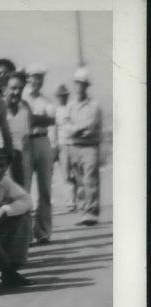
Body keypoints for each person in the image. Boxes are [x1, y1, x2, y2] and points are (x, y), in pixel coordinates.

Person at [0, 145, 34, 287]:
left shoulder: (4, 182)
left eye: (2, 166)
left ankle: (10, 273)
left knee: (24, 217)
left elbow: (27, 201)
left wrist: (5, 209)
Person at [22, 65, 57, 244]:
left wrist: (34, 119)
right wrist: (38, 119)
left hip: (43, 140)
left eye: (39, 78)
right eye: (33, 78)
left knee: (45, 189)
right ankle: (25, 234)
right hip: (25, 141)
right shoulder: (21, 98)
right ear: (27, 79)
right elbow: (27, 120)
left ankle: (43, 231)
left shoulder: (47, 101)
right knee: (24, 188)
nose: (36, 81)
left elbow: (52, 120)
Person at [64, 68, 101, 226]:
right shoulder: (70, 105)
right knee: (78, 181)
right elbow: (65, 125)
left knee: (90, 179)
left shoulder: (94, 105)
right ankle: (82, 211)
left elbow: (91, 126)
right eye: (77, 83)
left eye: (82, 84)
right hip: (74, 147)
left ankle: (91, 212)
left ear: (87, 86)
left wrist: (75, 129)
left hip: (90, 147)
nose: (79, 86)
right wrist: (76, 130)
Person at [3, 72, 33, 187]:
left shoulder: (25, 107)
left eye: (20, 89)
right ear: (5, 88)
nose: (17, 92)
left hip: (20, 159)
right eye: (13, 88)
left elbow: (27, 137)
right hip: (2, 159)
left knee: (21, 196)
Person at [52, 83, 77, 212]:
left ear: (67, 96)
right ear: (57, 97)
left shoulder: (73, 108)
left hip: (75, 145)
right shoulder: (56, 111)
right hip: (62, 145)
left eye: (64, 95)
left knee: (77, 174)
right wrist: (55, 146)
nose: (62, 97)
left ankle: (80, 201)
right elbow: (54, 129)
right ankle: (70, 202)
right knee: (66, 175)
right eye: (60, 96)